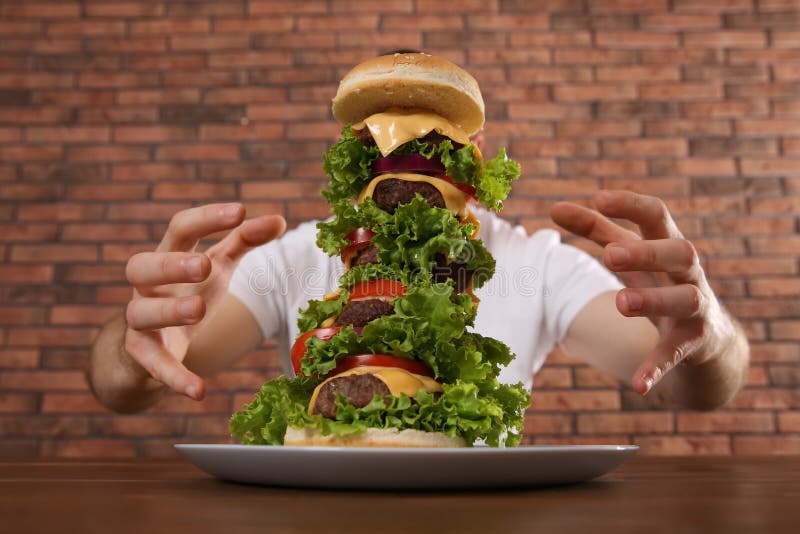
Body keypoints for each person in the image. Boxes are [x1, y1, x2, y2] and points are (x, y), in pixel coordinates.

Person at [88, 185, 750, 415]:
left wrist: (708, 336)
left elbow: (684, 387)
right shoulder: (296, 255)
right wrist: (141, 348)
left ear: (474, 164)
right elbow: (126, 386)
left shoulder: (534, 263)